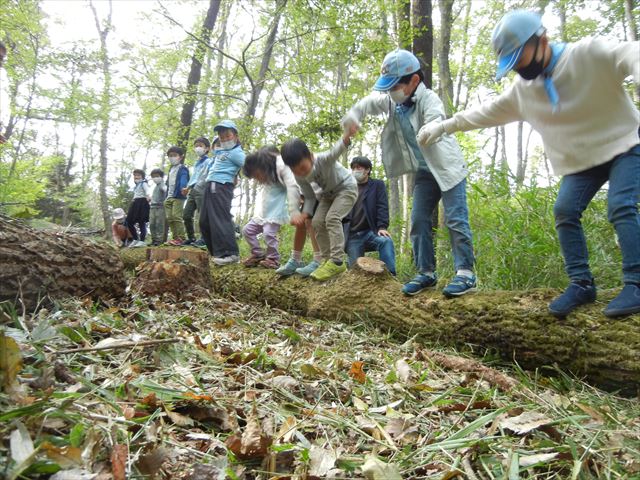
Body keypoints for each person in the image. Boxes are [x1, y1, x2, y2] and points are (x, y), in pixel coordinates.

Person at [416, 10, 640, 318]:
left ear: (543, 40)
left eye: (520, 58)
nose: (519, 68)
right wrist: (444, 126)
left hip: (626, 144)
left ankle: (636, 281)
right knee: (564, 210)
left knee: (620, 205)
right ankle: (581, 283)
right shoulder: (523, 92)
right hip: (583, 162)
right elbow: (483, 112)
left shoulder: (588, 54)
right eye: (512, 63)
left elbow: (631, 53)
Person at [342, 49, 476, 297]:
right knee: (418, 221)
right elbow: (368, 103)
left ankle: (465, 273)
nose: (391, 92)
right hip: (424, 172)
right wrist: (353, 117)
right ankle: (426, 272)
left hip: (448, 169)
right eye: (389, 87)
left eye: (396, 86)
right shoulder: (393, 101)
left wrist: (431, 128)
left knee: (456, 219)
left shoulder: (429, 99)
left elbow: (436, 117)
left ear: (414, 81)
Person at [281, 127, 358, 281]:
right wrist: (304, 213)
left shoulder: (322, 160)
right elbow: (309, 197)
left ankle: (337, 261)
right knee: (316, 222)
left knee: (332, 218)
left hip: (346, 188)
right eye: (296, 171)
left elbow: (335, 151)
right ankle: (326, 260)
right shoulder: (300, 177)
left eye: (303, 167)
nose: (301, 173)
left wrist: (346, 137)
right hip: (327, 195)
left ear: (310, 157)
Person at [241, 146, 301, 269]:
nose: (257, 179)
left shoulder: (280, 172)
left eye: (257, 175)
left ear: (264, 167)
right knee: (247, 230)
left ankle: (273, 259)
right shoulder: (267, 180)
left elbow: (292, 185)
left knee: (268, 233)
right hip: (262, 215)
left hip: (275, 215)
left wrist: (296, 205)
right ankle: (257, 253)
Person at [200, 120, 245, 265]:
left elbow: (249, 165)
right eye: (221, 136)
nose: (224, 139)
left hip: (221, 186)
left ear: (236, 136)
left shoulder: (236, 153)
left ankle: (230, 254)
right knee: (204, 221)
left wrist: (236, 175)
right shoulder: (222, 152)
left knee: (220, 218)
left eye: (227, 135)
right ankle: (216, 253)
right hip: (210, 185)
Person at [344, 156, 396, 276]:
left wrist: (382, 227)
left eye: (359, 167)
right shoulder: (347, 188)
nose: (355, 170)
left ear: (367, 170)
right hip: (352, 236)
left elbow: (382, 206)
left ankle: (391, 276)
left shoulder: (377, 185)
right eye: (353, 168)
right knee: (355, 273)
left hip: (370, 232)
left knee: (386, 241)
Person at [275, 190, 323, 277]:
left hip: (317, 192)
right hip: (306, 192)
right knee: (300, 223)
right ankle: (295, 259)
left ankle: (318, 260)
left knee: (309, 221)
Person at [181, 137, 211, 246]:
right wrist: (187, 187)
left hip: (202, 191)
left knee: (202, 216)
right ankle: (191, 238)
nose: (198, 148)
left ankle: (204, 238)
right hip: (193, 191)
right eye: (196, 145)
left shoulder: (209, 162)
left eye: (200, 145)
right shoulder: (197, 163)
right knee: (186, 215)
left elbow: (209, 176)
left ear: (207, 148)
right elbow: (194, 176)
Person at [164, 146, 190, 245]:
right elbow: (168, 183)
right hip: (169, 197)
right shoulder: (171, 169)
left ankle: (181, 238)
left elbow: (184, 178)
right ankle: (175, 238)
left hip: (178, 196)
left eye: (174, 155)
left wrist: (183, 188)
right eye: (170, 156)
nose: (172, 158)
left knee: (176, 216)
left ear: (181, 157)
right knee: (169, 218)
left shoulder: (183, 169)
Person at [126, 169, 151, 247]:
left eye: (138, 175)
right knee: (129, 221)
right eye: (135, 175)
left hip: (142, 203)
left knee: (141, 221)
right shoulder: (136, 186)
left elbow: (147, 191)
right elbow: (136, 194)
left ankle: (142, 241)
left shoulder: (143, 183)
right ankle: (135, 239)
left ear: (142, 177)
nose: (136, 177)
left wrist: (148, 197)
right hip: (135, 203)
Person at [149, 168, 167, 246]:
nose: (155, 178)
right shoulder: (156, 186)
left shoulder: (162, 184)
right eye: (153, 176)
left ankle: (159, 241)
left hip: (160, 207)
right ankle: (154, 240)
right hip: (152, 207)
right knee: (152, 224)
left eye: (157, 176)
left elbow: (165, 190)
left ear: (161, 177)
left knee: (159, 224)